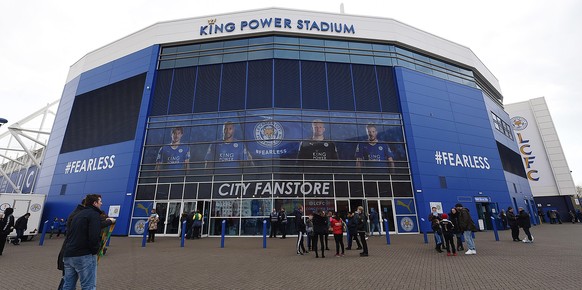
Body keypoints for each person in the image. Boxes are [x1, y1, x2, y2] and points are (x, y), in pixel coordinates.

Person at [62, 194, 104, 290]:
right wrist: (95, 251)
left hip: (68, 254)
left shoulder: (77, 214)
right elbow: (94, 236)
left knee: (68, 286)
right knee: (88, 286)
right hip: (84, 255)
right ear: (95, 203)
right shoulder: (94, 215)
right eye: (100, 201)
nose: (101, 203)